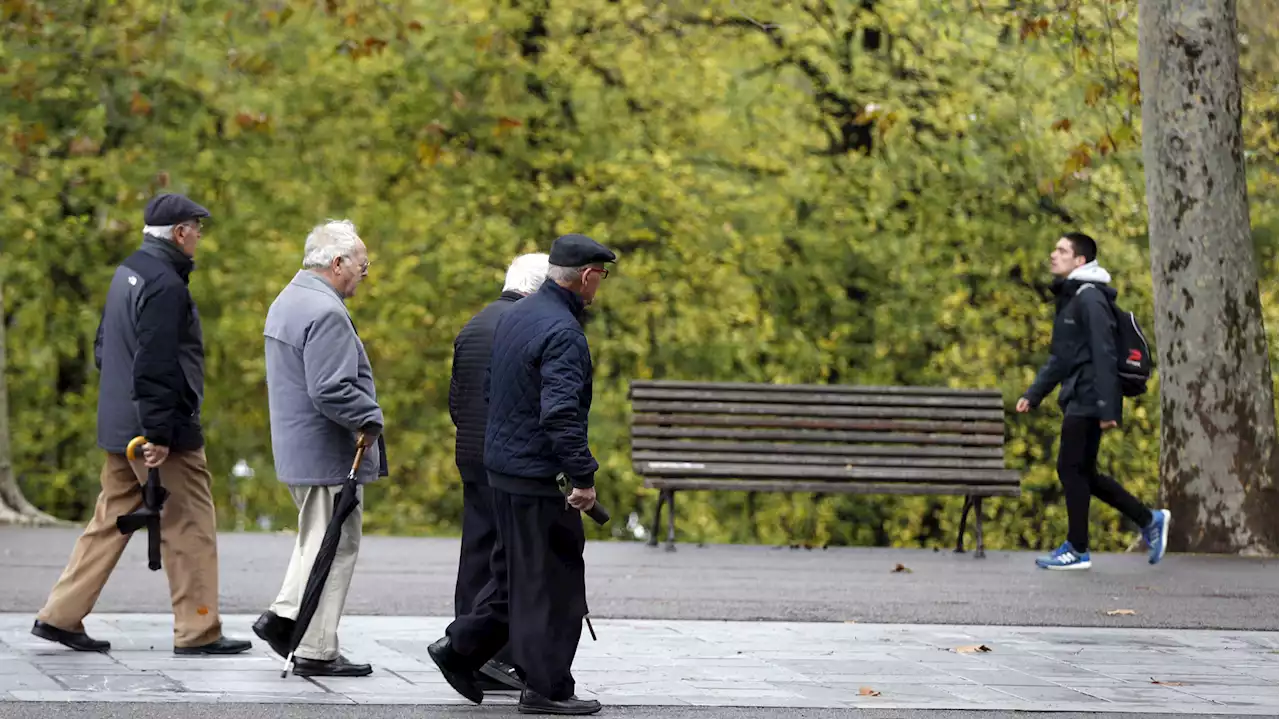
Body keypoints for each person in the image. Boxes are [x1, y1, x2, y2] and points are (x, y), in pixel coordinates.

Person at [33, 193, 251, 655]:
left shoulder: (128, 272)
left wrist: (129, 415)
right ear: (178, 233)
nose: (199, 236)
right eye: (197, 228)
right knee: (190, 523)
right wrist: (158, 432)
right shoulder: (166, 285)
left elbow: (103, 347)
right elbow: (156, 364)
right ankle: (198, 630)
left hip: (119, 423)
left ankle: (60, 615)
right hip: (156, 431)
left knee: (110, 519)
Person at [428, 234, 614, 716]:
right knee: (555, 583)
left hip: (502, 472)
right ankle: (547, 688)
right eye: (602, 276)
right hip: (537, 478)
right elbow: (560, 415)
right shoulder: (564, 333)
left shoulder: (515, 318)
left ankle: (460, 649)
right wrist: (583, 478)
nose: (601, 286)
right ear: (588, 276)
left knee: (513, 578)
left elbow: (491, 392)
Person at [252, 219, 387, 677]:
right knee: (336, 544)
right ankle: (313, 645)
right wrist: (370, 418)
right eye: (362, 267)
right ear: (338, 263)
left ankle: (286, 619)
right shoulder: (325, 311)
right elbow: (330, 389)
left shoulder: (287, 300)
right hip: (327, 452)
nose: (363, 276)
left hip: (299, 448)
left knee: (316, 540)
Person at [1017, 231, 1171, 570]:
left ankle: (1078, 548)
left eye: (1061, 250)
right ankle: (1148, 518)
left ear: (1080, 260)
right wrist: (1034, 393)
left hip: (1089, 395)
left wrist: (1108, 407)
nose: (1053, 255)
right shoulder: (1072, 299)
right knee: (1083, 471)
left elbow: (1104, 352)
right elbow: (1061, 358)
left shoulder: (1090, 298)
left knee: (1069, 468)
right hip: (1080, 392)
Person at [447, 252, 550, 693]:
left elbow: (456, 398)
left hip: (470, 453)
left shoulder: (474, 324)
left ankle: (466, 652)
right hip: (507, 460)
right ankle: (493, 657)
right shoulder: (523, 326)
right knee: (511, 561)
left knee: (476, 555)